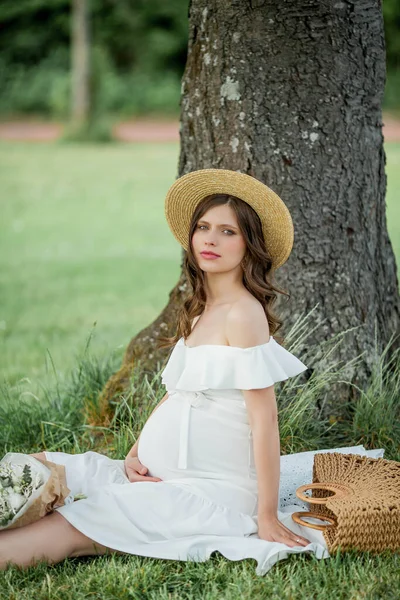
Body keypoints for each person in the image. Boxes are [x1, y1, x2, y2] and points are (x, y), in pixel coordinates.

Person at [0, 168, 330, 574]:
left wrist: (266, 513)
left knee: (70, 526)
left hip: (206, 493)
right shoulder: (200, 311)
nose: (210, 238)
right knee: (39, 466)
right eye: (204, 227)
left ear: (250, 245)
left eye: (228, 232)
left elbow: (266, 420)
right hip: (155, 473)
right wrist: (139, 449)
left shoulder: (244, 315)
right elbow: (180, 394)